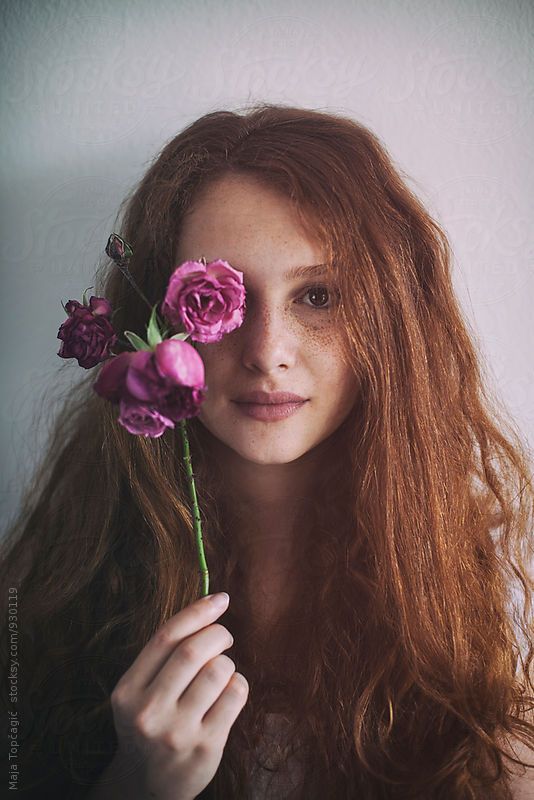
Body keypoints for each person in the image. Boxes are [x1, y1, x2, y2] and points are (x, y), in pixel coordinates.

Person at [1, 103, 533, 799]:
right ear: (155, 323)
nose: (268, 355)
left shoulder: (482, 596)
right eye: (219, 300)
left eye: (318, 295)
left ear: (391, 321)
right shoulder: (57, 585)